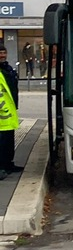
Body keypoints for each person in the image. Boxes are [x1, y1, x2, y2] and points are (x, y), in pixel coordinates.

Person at [0, 46, 20, 177]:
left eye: (4, 52)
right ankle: (1, 167)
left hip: (9, 110)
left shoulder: (8, 68)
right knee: (1, 142)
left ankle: (8, 164)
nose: (2, 55)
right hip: (1, 111)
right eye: (0, 53)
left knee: (8, 140)